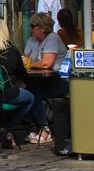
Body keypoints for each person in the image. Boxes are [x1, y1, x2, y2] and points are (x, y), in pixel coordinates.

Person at [0, 19, 34, 144]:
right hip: (8, 94)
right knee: (31, 98)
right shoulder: (11, 51)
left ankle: (2, 126)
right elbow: (23, 74)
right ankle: (6, 126)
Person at [23, 12, 69, 144]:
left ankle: (45, 130)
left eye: (33, 26)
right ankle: (36, 127)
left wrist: (30, 63)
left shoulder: (52, 38)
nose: (30, 29)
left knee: (34, 94)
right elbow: (25, 60)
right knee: (27, 92)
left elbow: (46, 63)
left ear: (42, 28)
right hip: (42, 80)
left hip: (60, 79)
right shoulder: (32, 41)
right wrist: (29, 63)